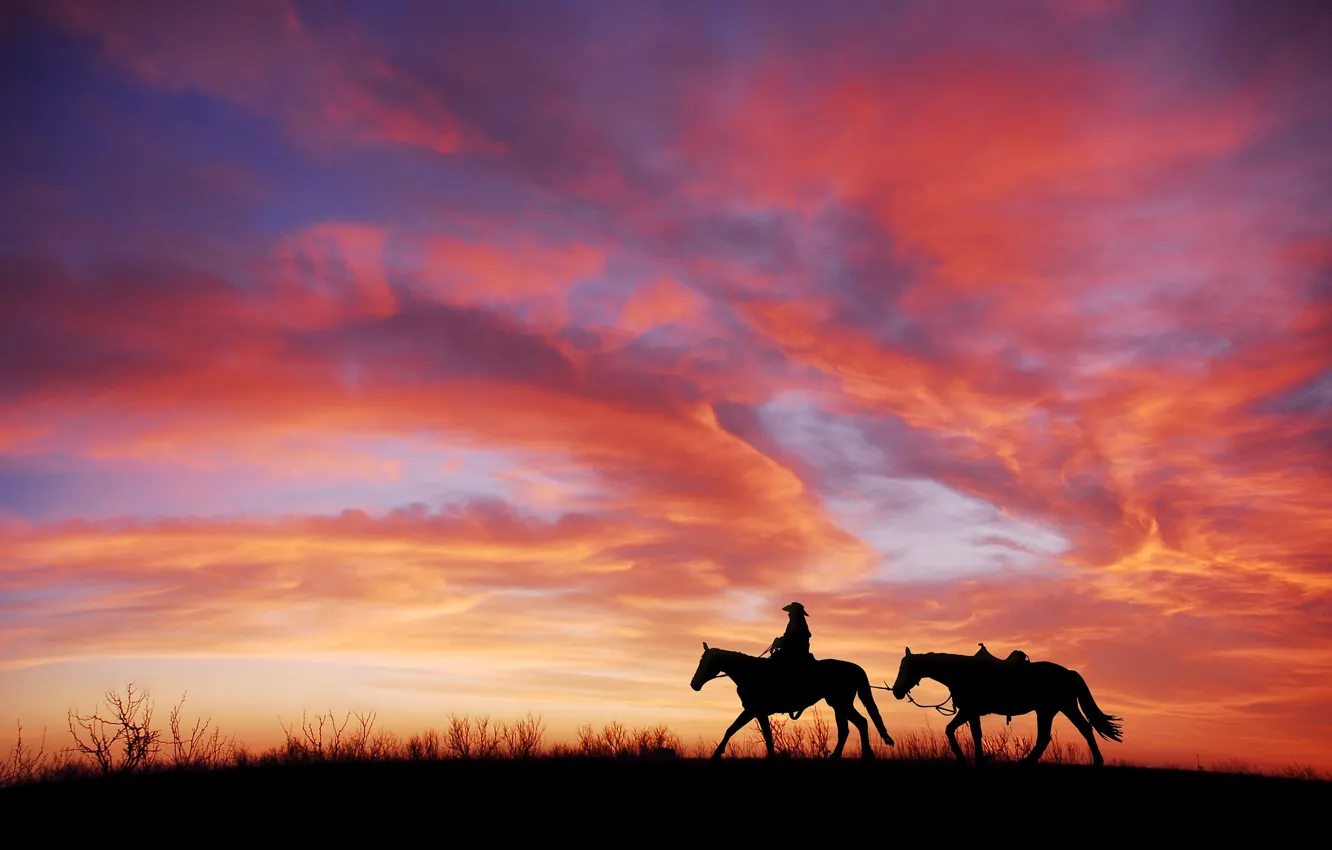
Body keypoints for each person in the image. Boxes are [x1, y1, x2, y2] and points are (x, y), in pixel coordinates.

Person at [770, 602, 814, 666]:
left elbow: (790, 639)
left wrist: (779, 641)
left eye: (791, 612)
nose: (789, 614)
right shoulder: (797, 623)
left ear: (795, 613)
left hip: (795, 651)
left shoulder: (797, 625)